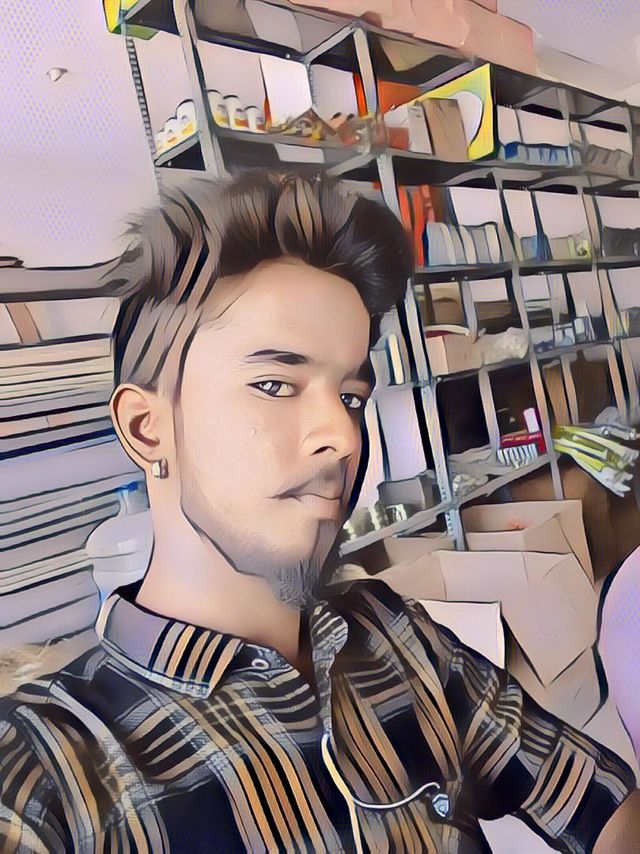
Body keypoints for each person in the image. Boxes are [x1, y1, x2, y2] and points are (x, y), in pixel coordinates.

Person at [0, 171, 638, 853]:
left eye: (351, 396)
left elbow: (599, 803)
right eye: (275, 384)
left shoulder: (392, 634)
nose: (343, 435)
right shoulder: (49, 774)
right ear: (148, 428)